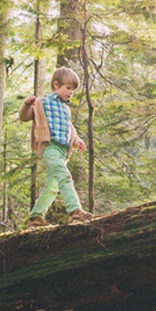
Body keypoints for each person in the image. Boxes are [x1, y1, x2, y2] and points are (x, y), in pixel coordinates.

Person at [20, 66, 93, 227]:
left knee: (52, 186)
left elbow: (69, 129)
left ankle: (35, 217)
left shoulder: (65, 109)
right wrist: (26, 105)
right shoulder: (42, 103)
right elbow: (25, 117)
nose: (70, 93)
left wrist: (77, 141)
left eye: (73, 90)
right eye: (68, 88)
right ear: (55, 84)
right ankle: (74, 211)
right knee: (63, 175)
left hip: (62, 151)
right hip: (49, 147)